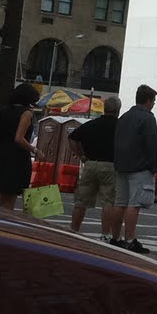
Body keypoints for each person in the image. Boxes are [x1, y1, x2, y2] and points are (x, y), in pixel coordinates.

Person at [112, 84, 157, 254]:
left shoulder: (124, 117)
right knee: (134, 204)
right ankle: (130, 239)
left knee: (120, 203)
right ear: (148, 101)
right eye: (153, 101)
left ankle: (115, 237)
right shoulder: (148, 118)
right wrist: (154, 166)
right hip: (139, 167)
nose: (154, 104)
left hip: (121, 165)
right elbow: (151, 144)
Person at [68, 96, 122, 239]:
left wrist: (81, 156)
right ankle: (105, 235)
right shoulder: (120, 126)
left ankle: (73, 231)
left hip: (90, 164)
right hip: (110, 166)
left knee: (81, 201)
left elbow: (72, 138)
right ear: (118, 110)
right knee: (108, 201)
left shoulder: (92, 124)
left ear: (105, 109)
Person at [0, 84, 39, 211]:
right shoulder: (26, 114)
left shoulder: (4, 111)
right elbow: (19, 138)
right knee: (9, 199)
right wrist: (35, 150)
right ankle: (3, 226)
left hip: (0, 155)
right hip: (16, 158)